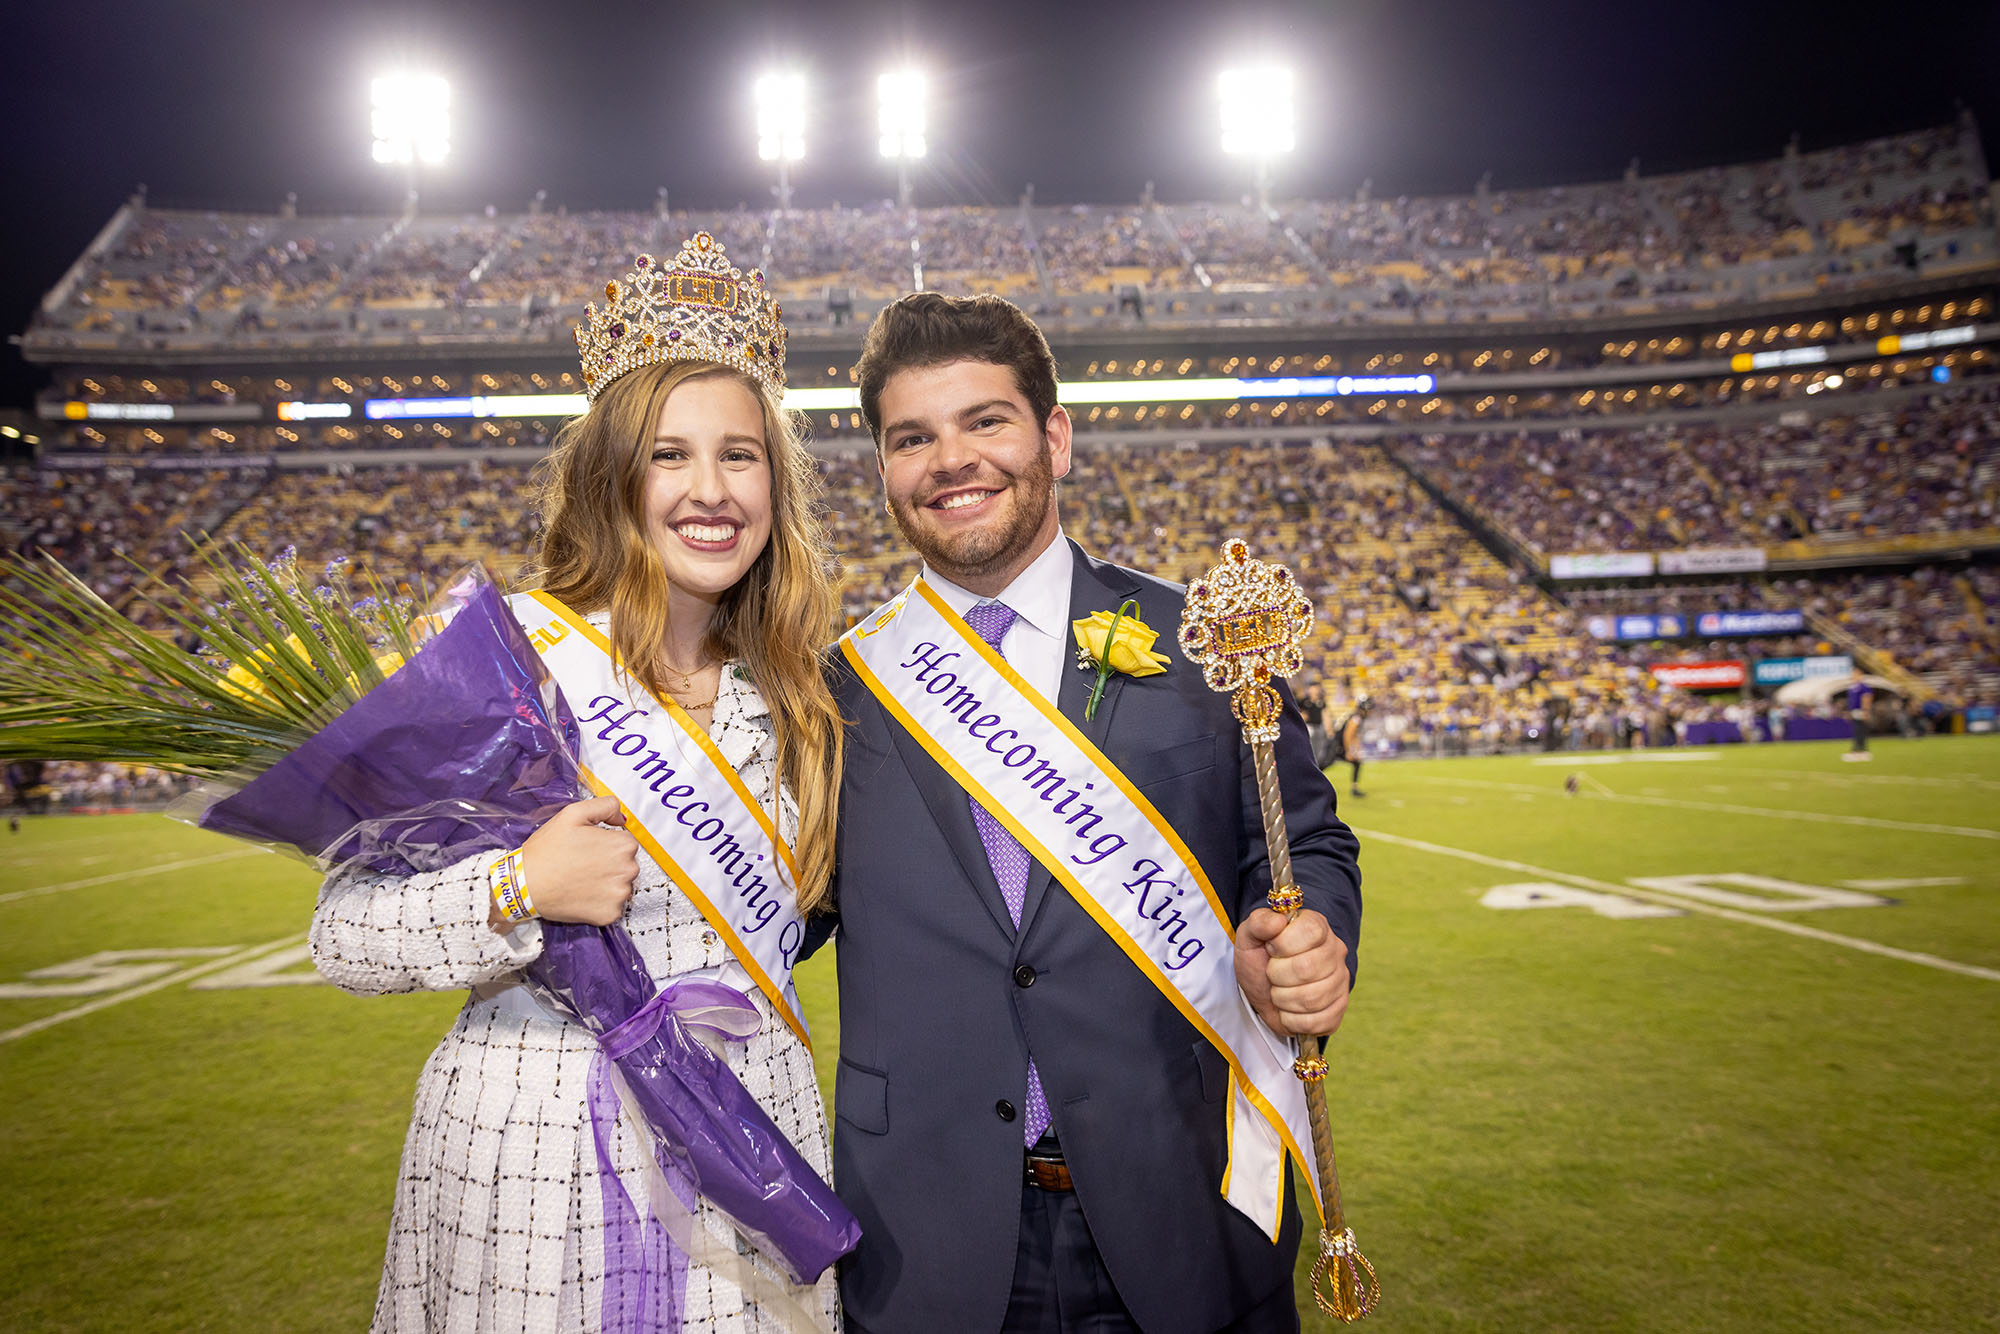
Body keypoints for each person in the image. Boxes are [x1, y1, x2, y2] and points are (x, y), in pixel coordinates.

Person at [309, 234, 847, 1333]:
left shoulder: (798, 691)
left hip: (752, 1135)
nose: (709, 491)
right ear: (612, 474)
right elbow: (343, 936)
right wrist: (518, 885)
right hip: (537, 1138)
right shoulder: (506, 662)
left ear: (774, 481)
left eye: (740, 455)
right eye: (668, 455)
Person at [808, 292, 1362, 1332]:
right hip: (924, 1224)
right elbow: (772, 910)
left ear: (1052, 437)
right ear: (882, 467)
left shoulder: (1202, 644)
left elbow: (1306, 839)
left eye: (986, 421)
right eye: (912, 437)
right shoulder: (836, 690)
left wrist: (1313, 931)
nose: (951, 459)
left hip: (1178, 1197)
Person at [1333, 697, 1370, 797]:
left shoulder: (1354, 716)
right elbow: (1348, 735)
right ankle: (1308, 783)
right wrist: (1349, 751)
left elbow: (1353, 735)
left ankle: (1354, 788)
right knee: (1322, 764)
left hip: (1336, 743)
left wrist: (1356, 747)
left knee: (1357, 763)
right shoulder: (1356, 718)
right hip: (1336, 745)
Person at [1843, 668, 1874, 761]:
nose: (1853, 676)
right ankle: (1857, 749)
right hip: (1854, 711)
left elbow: (1867, 698)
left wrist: (1865, 711)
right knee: (1856, 730)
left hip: (1860, 711)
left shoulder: (1863, 686)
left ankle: (1862, 750)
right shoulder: (1852, 687)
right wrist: (1849, 712)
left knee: (1861, 730)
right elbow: (1851, 701)